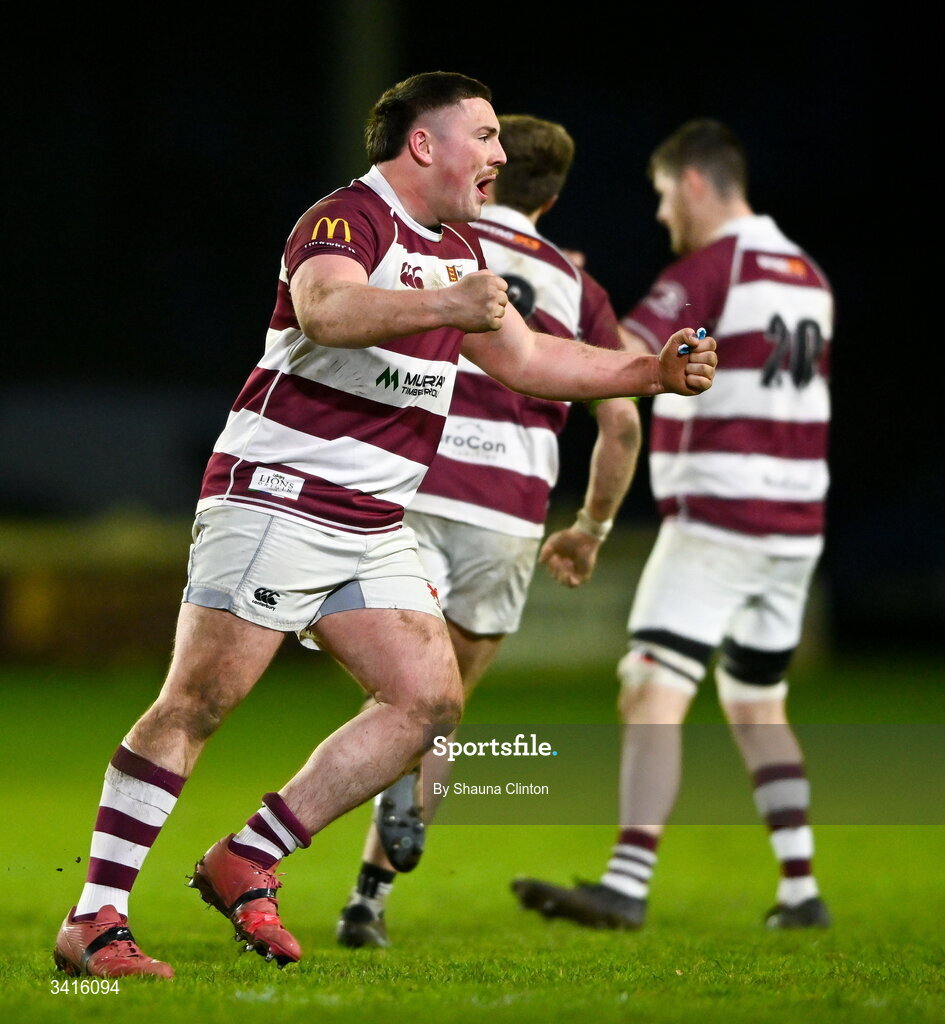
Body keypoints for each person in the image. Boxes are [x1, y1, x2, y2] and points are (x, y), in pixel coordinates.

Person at [53, 74, 717, 979]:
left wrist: (650, 373)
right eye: (481, 136)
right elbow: (327, 309)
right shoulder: (346, 219)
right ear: (423, 144)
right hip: (280, 492)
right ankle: (94, 917)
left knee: (427, 703)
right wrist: (448, 305)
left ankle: (247, 855)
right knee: (199, 702)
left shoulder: (459, 246)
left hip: (370, 519)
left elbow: (525, 358)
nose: (495, 154)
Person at [512, 118, 832, 931]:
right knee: (756, 702)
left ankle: (626, 882)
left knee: (649, 684)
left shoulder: (709, 268)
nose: (660, 215)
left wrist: (563, 297)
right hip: (797, 526)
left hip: (722, 517)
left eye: (661, 196)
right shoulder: (808, 275)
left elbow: (628, 355)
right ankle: (799, 891)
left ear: (692, 182)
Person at [334, 113, 643, 949]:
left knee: (398, 692)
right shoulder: (578, 288)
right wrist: (590, 527)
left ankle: (319, 864)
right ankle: (368, 899)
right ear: (555, 196)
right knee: (443, 707)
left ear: (492, 173)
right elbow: (619, 427)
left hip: (413, 479)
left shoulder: (440, 243)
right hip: (508, 509)